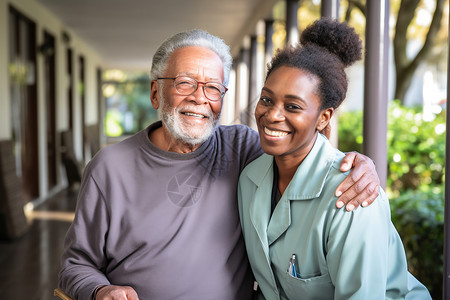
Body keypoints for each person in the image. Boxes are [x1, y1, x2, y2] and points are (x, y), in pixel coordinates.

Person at [59, 29, 381, 300]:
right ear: (156, 93)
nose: (199, 98)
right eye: (184, 83)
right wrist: (100, 291)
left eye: (213, 87)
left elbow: (300, 148)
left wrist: (357, 164)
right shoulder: (109, 168)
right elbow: (75, 264)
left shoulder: (243, 150)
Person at [237, 18, 431, 299]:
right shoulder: (249, 180)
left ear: (323, 118)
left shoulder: (353, 195)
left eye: (292, 106)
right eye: (267, 99)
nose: (272, 115)